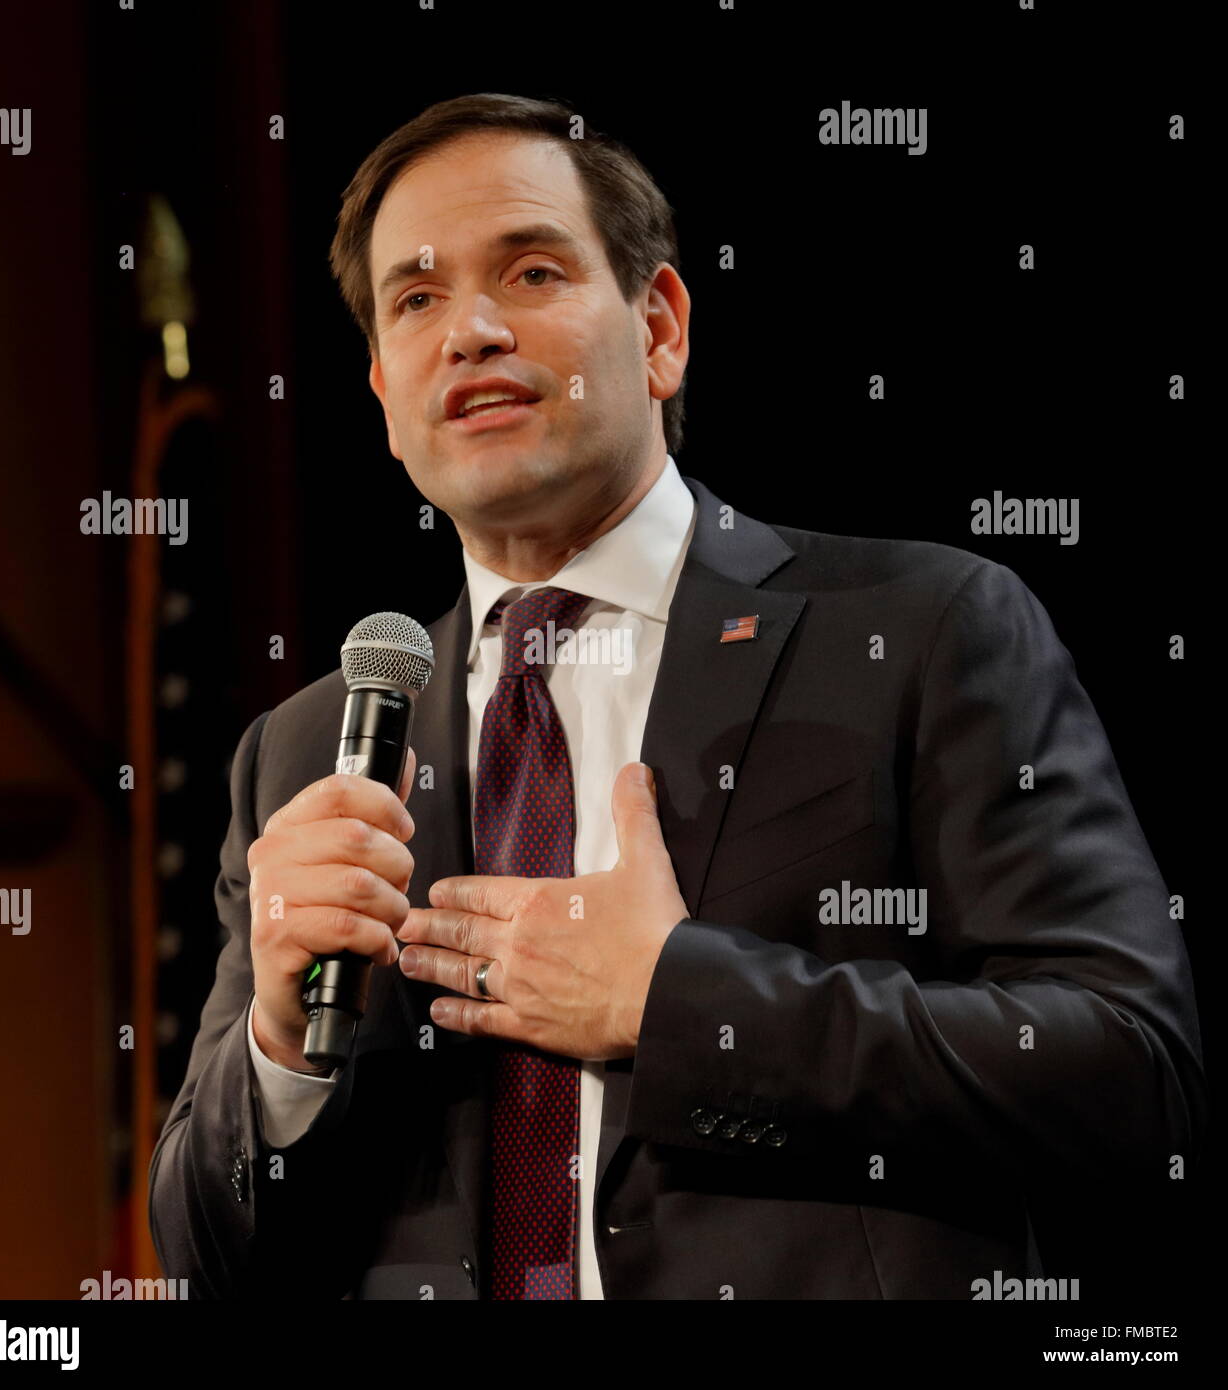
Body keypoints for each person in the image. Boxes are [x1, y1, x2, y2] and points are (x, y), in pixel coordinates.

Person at [149, 93, 1205, 1300]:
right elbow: (206, 1254)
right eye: (416, 298)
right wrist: (280, 1049)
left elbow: (1133, 1079)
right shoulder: (297, 753)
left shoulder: (920, 630)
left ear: (658, 328)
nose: (472, 330)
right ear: (384, 392)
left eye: (532, 270)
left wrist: (677, 1003)